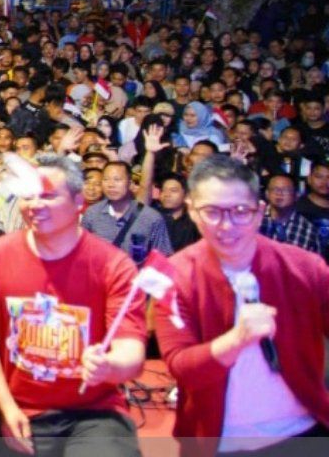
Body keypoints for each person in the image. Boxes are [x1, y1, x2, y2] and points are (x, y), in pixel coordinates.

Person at [0, 154, 147, 457]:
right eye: (28, 196)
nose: (35, 205)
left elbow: (132, 354)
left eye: (49, 195)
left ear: (79, 201)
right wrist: (6, 407)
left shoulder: (112, 264)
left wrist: (110, 366)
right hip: (22, 410)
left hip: (95, 411)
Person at [154, 156, 329, 453]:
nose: (226, 225)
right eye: (212, 212)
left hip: (302, 430)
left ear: (260, 212)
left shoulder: (305, 267)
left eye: (240, 211)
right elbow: (181, 367)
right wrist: (236, 340)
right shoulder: (174, 276)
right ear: (193, 212)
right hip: (217, 439)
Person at [81, 161, 173, 265]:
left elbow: (163, 258)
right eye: (106, 179)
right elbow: (82, 252)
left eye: (117, 180)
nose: (111, 185)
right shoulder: (92, 213)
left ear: (130, 183)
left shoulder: (151, 217)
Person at [258, 173, 322, 255]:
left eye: (286, 190)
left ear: (297, 195)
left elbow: (314, 265)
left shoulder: (309, 231)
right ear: (267, 194)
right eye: (275, 189)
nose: (279, 193)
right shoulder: (254, 220)